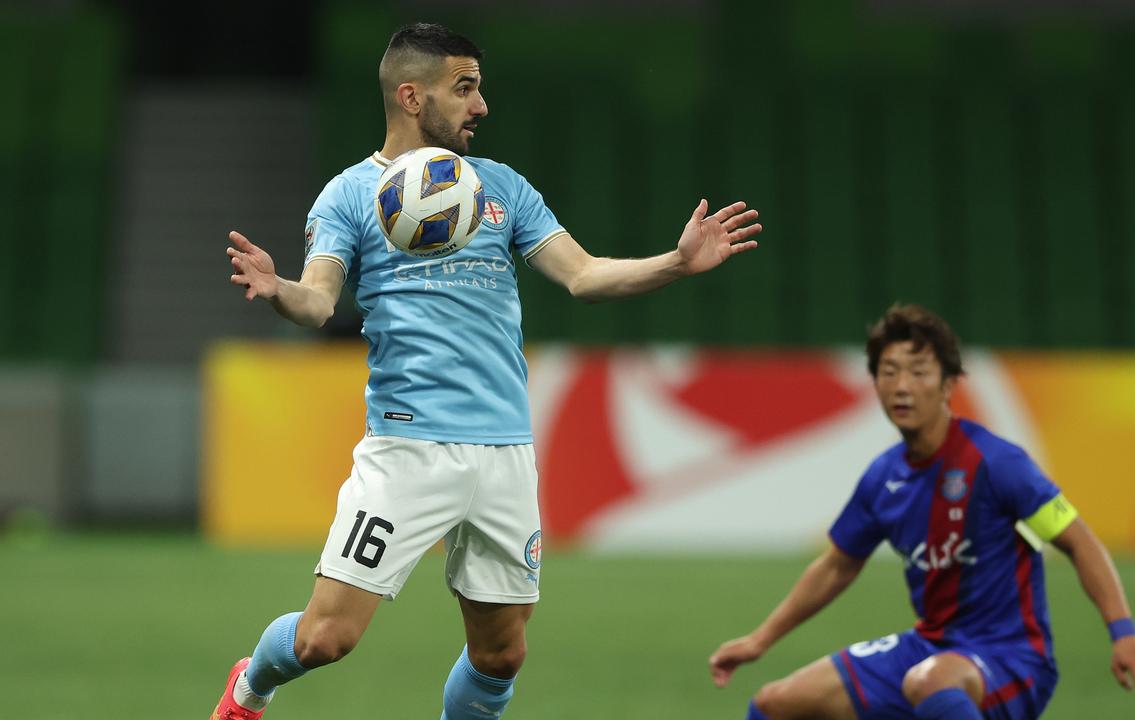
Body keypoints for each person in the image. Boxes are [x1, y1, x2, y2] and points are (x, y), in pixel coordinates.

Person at [210, 22, 762, 720]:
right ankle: (248, 689)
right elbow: (319, 301)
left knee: (501, 655)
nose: (481, 106)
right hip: (408, 451)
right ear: (411, 96)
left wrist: (675, 263)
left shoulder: (500, 187)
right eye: (464, 88)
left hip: (503, 452)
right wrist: (279, 288)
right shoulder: (350, 194)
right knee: (326, 638)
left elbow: (585, 275)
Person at [708, 304, 1135, 720]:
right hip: (931, 646)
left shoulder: (995, 463)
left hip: (1011, 658)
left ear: (947, 385)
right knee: (774, 705)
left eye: (918, 372)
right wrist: (759, 639)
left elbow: (1078, 541)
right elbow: (835, 567)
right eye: (888, 372)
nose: (902, 386)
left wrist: (1123, 632)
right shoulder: (882, 479)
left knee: (929, 682)